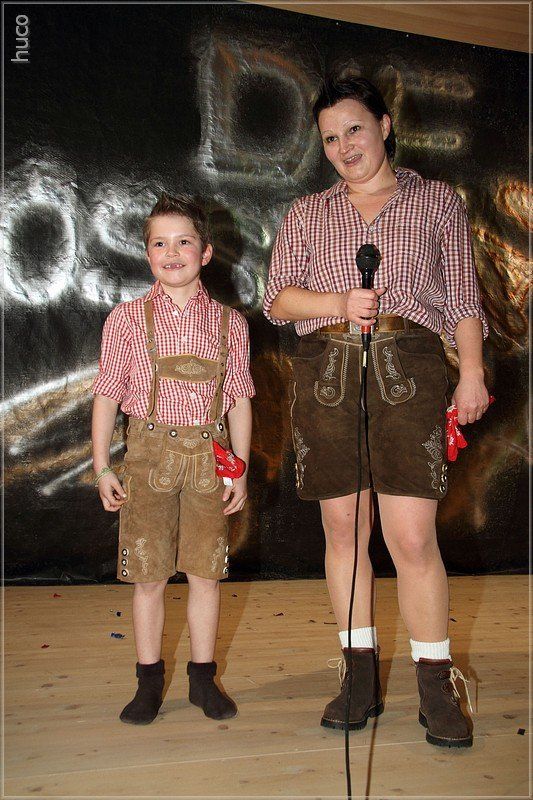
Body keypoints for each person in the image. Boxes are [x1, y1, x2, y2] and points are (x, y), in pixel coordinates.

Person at [263, 74, 489, 748]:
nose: (344, 146)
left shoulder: (436, 201)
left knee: (412, 537)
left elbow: (463, 300)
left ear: (385, 126)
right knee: (343, 530)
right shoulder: (307, 212)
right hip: (327, 372)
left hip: (409, 370)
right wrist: (338, 303)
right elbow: (277, 299)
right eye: (330, 138)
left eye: (354, 129)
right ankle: (357, 677)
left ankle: (435, 683)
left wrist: (471, 373)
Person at [92, 192, 254, 724]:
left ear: (205, 252)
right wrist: (102, 465)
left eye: (184, 242)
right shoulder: (126, 319)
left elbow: (239, 399)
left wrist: (240, 467)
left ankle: (203, 680)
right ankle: (148, 682)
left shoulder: (230, 323)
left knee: (206, 574)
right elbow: (107, 395)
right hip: (147, 460)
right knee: (149, 576)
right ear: (147, 254)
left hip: (209, 461)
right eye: (159, 243)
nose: (172, 253)